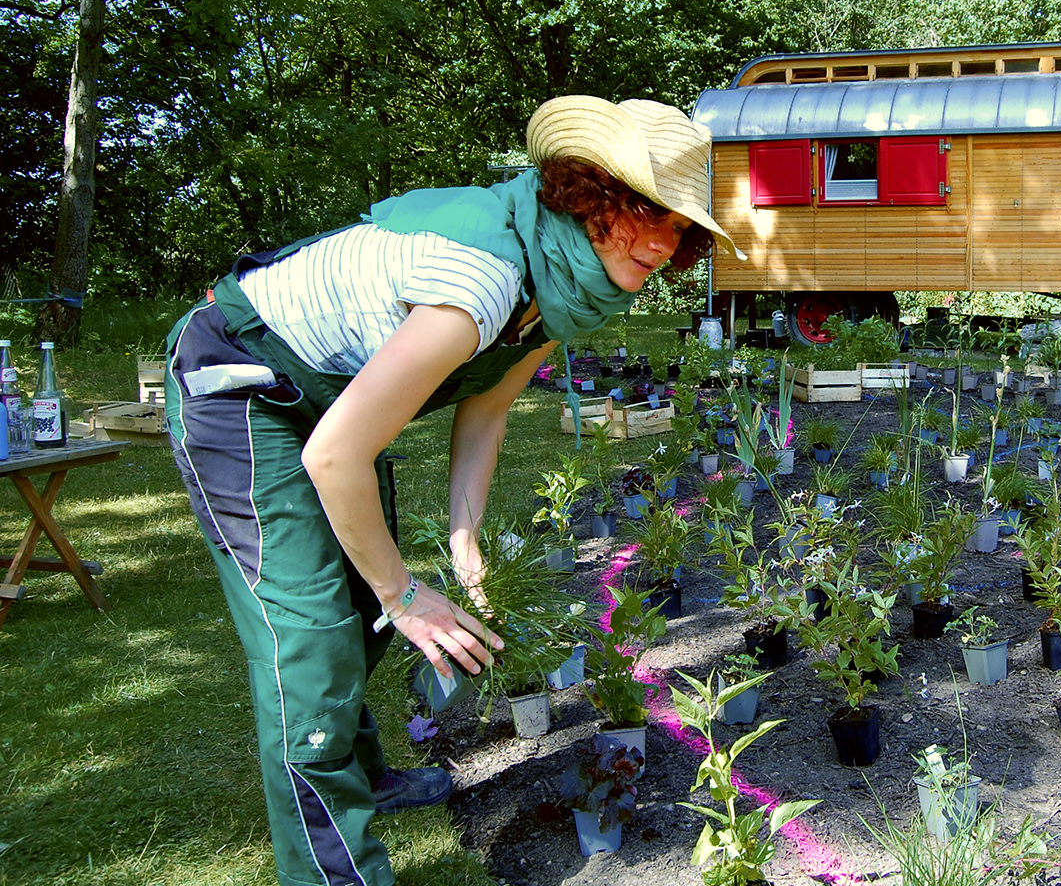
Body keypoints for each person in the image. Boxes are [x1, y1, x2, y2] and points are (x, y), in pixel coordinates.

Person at [163, 97, 742, 886]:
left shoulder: (556, 287)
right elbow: (336, 458)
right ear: (584, 194)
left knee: (358, 623)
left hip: (326, 406)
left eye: (678, 226)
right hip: (244, 388)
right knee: (310, 644)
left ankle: (365, 777)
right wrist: (404, 592)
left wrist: (464, 549)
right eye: (643, 210)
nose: (661, 239)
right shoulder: (483, 274)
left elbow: (487, 412)